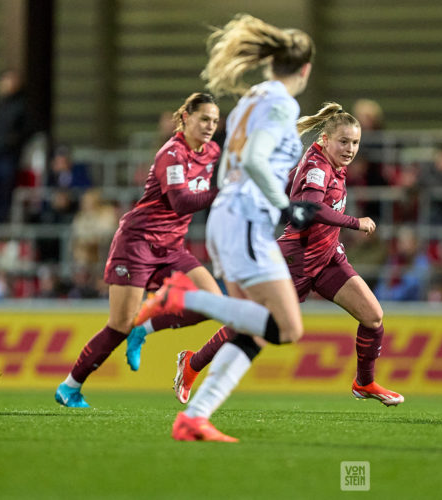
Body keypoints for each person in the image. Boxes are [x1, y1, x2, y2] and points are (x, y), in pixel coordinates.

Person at [135, 101, 404, 441]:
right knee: (253, 325)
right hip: (296, 260)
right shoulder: (319, 167)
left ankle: (364, 382)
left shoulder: (328, 162)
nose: (350, 149)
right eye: (344, 142)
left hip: (327, 258)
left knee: (373, 317)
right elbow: (311, 207)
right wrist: (355, 222)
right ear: (324, 139)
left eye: (355, 143)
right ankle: (192, 363)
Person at [131, 14, 321, 442]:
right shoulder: (281, 104)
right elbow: (254, 159)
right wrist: (286, 206)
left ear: (272, 64)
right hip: (248, 218)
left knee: (251, 331)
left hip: (226, 215)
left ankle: (194, 417)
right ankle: (182, 296)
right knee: (288, 329)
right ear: (304, 69)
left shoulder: (252, 98)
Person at [54, 92, 223, 408]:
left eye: (214, 120)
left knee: (214, 303)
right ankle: (69, 387)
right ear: (185, 118)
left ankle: (143, 329)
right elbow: (181, 202)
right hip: (138, 244)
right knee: (118, 324)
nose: (210, 126)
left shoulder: (212, 151)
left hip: (172, 246)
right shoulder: (171, 154)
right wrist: (223, 191)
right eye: (204, 119)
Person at [0, 69, 31, 224]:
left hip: (9, 156)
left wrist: (12, 141)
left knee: (5, 197)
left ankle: (1, 232)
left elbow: (27, 131)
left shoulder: (21, 106)